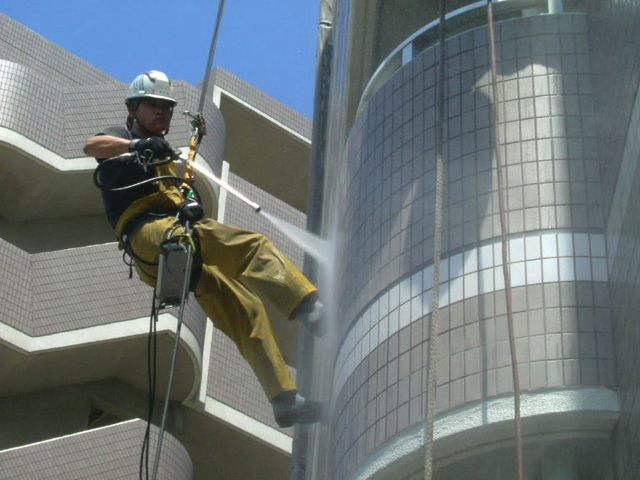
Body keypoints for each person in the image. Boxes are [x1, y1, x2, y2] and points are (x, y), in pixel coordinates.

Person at [84, 70, 323, 428]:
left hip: (176, 243)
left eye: (166, 107)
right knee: (252, 246)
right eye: (153, 105)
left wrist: (188, 202)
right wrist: (136, 146)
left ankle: (285, 400)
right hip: (147, 232)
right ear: (133, 108)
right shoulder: (121, 138)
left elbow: (180, 197)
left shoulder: (167, 159)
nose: (161, 112)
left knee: (248, 310)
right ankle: (309, 307)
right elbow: (92, 146)